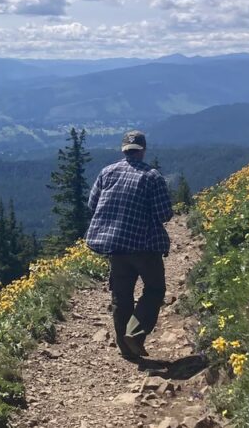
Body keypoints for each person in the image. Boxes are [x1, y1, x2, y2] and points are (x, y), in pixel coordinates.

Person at [85, 130, 173, 358]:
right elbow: (164, 214)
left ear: (124, 150)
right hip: (145, 246)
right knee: (154, 289)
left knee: (121, 295)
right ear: (143, 150)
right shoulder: (152, 176)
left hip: (115, 245)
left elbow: (92, 204)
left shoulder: (107, 172)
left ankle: (125, 349)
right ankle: (134, 333)